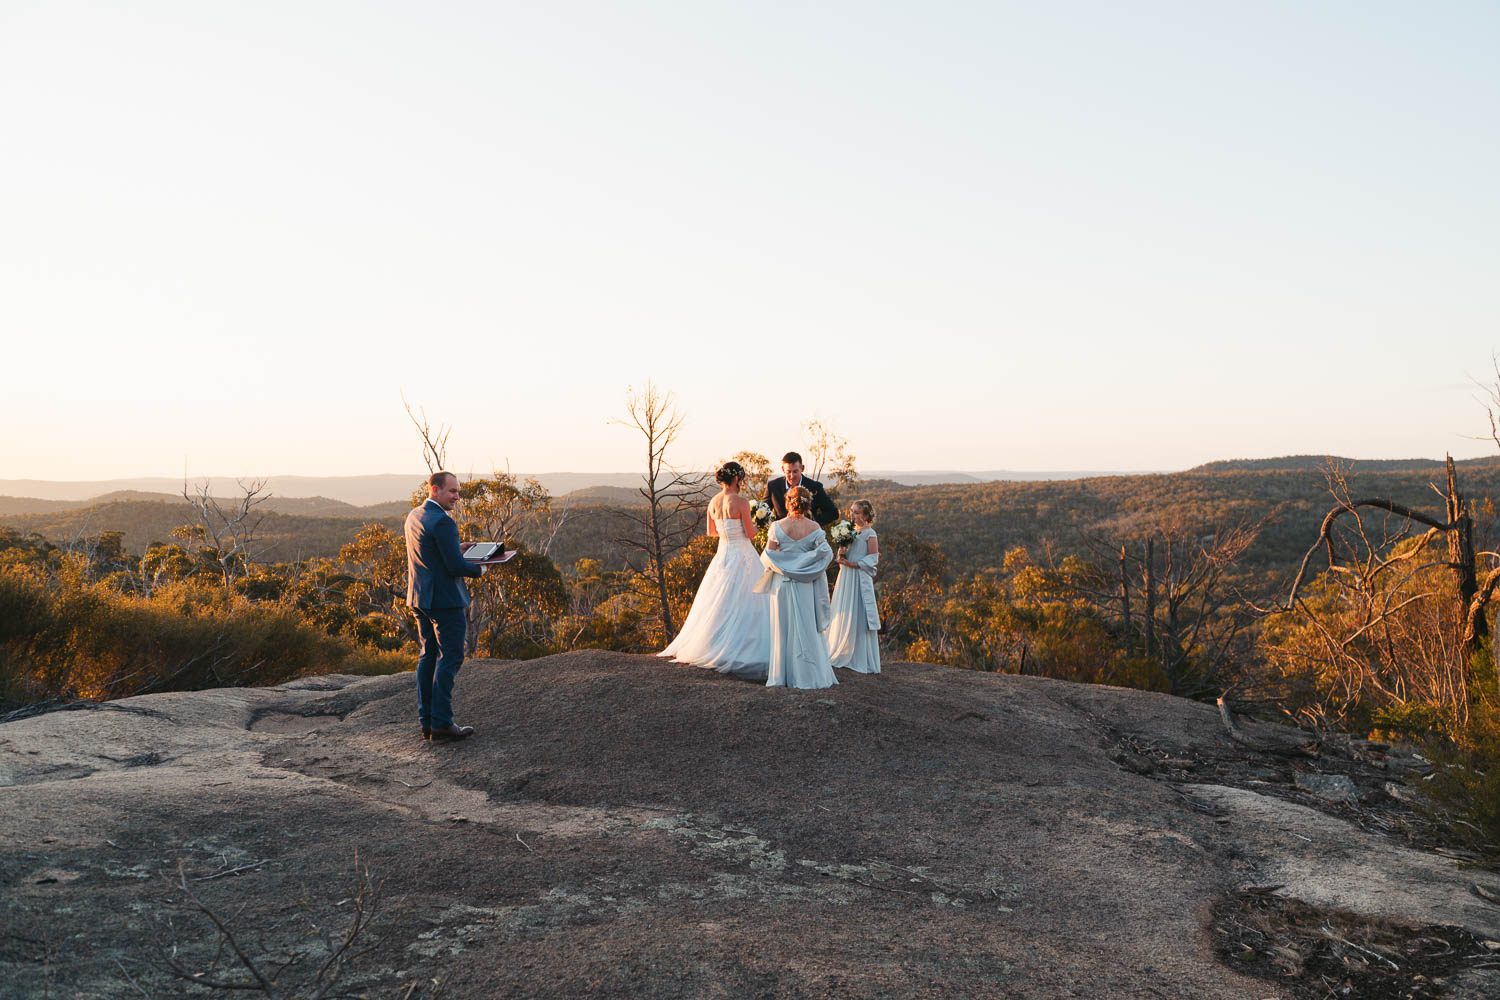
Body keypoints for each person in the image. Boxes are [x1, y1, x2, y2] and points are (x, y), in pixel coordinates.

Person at [658, 461, 771, 679]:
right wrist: (759, 523)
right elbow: (750, 533)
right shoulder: (741, 502)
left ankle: (713, 644)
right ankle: (744, 647)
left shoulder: (713, 502)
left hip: (723, 556)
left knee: (720, 602)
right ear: (737, 479)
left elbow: (712, 532)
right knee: (750, 600)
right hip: (743, 555)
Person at [405, 471, 485, 742]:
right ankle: (441, 723)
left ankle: (426, 722)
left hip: (419, 597)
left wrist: (456, 547)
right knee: (450, 657)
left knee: (428, 656)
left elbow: (431, 552)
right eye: (452, 491)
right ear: (435, 489)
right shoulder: (443, 522)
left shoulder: (415, 515)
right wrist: (482, 568)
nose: (456, 497)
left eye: (458, 492)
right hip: (444, 602)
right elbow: (454, 567)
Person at [756, 485, 838, 689]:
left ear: (788, 503)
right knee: (805, 627)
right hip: (805, 584)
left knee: (782, 628)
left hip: (781, 585)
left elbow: (768, 555)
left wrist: (785, 565)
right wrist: (807, 564)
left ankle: (782, 676)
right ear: (808, 503)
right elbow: (826, 553)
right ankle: (808, 675)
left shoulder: (776, 526)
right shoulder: (815, 529)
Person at [826, 499, 881, 673]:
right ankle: (843, 649)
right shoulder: (849, 531)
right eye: (851, 511)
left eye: (857, 512)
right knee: (844, 609)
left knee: (858, 612)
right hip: (846, 577)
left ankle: (860, 655)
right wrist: (841, 554)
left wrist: (854, 565)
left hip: (859, 576)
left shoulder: (870, 534)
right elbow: (845, 553)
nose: (852, 514)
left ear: (866, 516)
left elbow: (873, 558)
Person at [765, 451, 839, 526]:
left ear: (802, 468)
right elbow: (764, 513)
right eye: (788, 472)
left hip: (807, 534)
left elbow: (833, 513)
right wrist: (775, 526)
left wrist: (812, 522)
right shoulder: (773, 486)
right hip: (782, 535)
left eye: (795, 471)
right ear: (783, 469)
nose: (792, 476)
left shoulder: (815, 487)